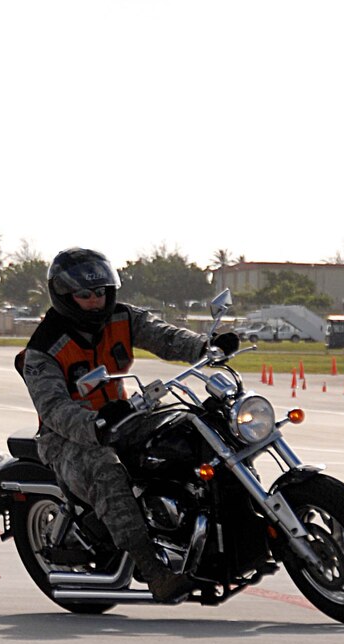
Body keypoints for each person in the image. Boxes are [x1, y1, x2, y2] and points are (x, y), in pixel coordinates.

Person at [16, 247, 239, 602]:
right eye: (85, 295)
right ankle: (155, 570)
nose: (95, 301)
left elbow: (164, 336)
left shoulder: (122, 318)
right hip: (70, 437)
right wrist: (96, 424)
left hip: (127, 415)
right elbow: (54, 409)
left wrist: (206, 346)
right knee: (106, 470)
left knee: (196, 426)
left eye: (101, 292)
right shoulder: (43, 349)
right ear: (64, 296)